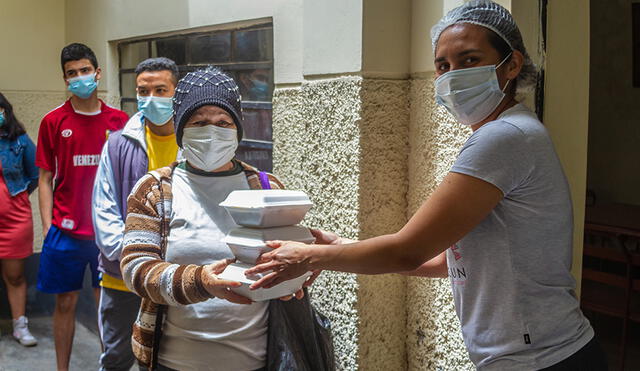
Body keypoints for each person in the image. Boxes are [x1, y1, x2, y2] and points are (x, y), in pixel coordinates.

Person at [247, 1, 607, 370]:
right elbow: (444, 260)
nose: (452, 76)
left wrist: (307, 256)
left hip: (544, 359)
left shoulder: (504, 138)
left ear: (511, 65)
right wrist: (343, 248)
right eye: (443, 66)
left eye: (469, 60)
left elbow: (407, 251)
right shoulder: (511, 132)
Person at [120, 67, 317, 371]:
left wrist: (299, 271)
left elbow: (290, 255)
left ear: (237, 128)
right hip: (173, 362)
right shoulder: (155, 189)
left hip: (257, 361)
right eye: (199, 122)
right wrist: (202, 282)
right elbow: (136, 268)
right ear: (181, 128)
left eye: (223, 122)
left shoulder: (266, 187)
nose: (212, 132)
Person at [35, 43, 128, 371]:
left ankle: (110, 366)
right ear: (65, 79)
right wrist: (48, 227)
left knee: (108, 308)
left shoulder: (119, 122)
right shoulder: (53, 122)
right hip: (66, 232)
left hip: (107, 233)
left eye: (85, 71)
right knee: (65, 304)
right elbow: (44, 178)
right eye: (72, 74)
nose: (80, 78)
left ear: (97, 73)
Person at [92, 57, 181, 371]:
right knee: (116, 357)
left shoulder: (192, 143)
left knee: (168, 358)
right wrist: (134, 260)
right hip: (122, 278)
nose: (151, 98)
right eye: (144, 91)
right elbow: (104, 210)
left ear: (176, 92)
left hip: (177, 275)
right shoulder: (118, 145)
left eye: (161, 90)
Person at [0, 92, 38, 346]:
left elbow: (36, 175)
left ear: (6, 110)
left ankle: (20, 326)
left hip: (14, 221)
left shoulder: (20, 140)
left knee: (15, 276)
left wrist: (17, 198)